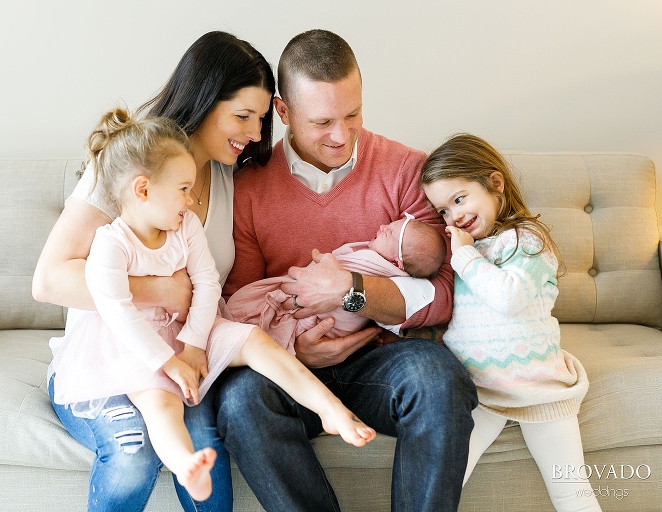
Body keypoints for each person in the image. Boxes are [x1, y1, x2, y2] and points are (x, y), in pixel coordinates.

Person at [51, 110, 377, 503]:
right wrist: (166, 361)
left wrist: (193, 343)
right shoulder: (110, 243)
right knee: (160, 401)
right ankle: (186, 464)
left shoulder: (184, 224)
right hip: (135, 339)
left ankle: (329, 409)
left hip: (190, 325)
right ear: (143, 190)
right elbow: (118, 310)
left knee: (254, 340)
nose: (191, 200)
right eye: (183, 189)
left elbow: (206, 283)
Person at [218, 29, 478, 511]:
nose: (341, 135)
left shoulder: (405, 170)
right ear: (283, 112)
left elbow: (443, 295)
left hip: (381, 361)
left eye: (353, 114)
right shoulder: (249, 186)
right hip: (291, 365)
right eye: (322, 122)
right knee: (239, 402)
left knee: (439, 379)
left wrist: (351, 292)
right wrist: (295, 350)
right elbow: (242, 303)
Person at [32, 31, 275, 512]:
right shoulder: (131, 164)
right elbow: (50, 280)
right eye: (242, 116)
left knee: (205, 445)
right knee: (133, 455)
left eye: (261, 119)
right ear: (204, 100)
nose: (253, 132)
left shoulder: (230, 179)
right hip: (108, 358)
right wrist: (161, 291)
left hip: (181, 357)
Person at [421, 133, 601, 511]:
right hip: (479, 391)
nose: (454, 216)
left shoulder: (526, 241)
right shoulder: (465, 250)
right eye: (443, 211)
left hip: (539, 387)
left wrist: (466, 259)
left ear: (495, 183)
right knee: (440, 484)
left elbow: (508, 298)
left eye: (459, 199)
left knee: (572, 492)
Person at [226, 215, 447, 352]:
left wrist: (345, 286)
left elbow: (437, 294)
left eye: (389, 233)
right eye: (389, 224)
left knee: (431, 366)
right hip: (303, 346)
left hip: (349, 341)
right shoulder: (250, 186)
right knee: (243, 391)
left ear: (397, 263)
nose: (382, 226)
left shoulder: (379, 265)